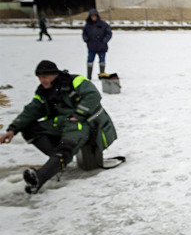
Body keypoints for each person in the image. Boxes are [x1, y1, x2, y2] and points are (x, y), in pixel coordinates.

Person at [0, 60, 117, 194]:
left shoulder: (75, 81)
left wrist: (78, 114)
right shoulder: (43, 92)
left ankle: (41, 176)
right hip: (60, 123)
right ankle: (57, 161)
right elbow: (31, 110)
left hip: (83, 124)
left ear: (54, 74)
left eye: (45, 77)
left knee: (66, 146)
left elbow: (93, 96)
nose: (42, 80)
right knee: (29, 129)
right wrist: (13, 129)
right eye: (39, 77)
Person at [82, 8, 112, 79]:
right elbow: (84, 34)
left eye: (95, 16)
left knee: (102, 61)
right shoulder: (87, 25)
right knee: (90, 61)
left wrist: (105, 40)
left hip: (102, 46)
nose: (93, 17)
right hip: (91, 47)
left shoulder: (103, 24)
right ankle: (89, 76)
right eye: (92, 16)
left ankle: (101, 74)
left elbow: (109, 33)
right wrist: (86, 39)